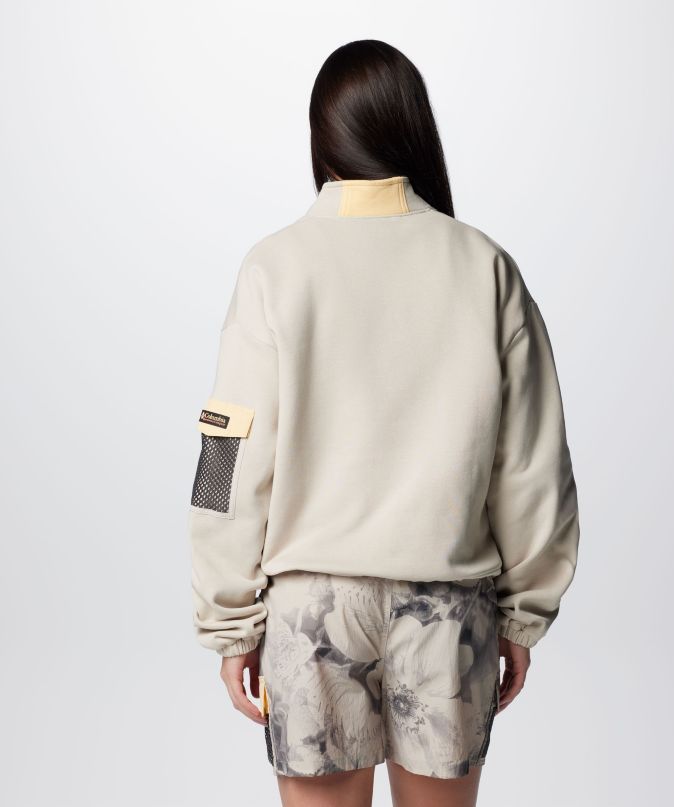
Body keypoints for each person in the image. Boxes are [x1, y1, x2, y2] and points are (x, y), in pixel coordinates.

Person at [187, 38, 580, 807]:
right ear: (413, 128)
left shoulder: (274, 266)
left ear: (322, 139)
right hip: (448, 609)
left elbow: (226, 455)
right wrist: (523, 613)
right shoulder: (483, 265)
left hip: (313, 610)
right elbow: (535, 461)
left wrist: (229, 619)